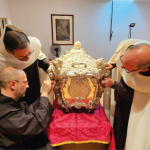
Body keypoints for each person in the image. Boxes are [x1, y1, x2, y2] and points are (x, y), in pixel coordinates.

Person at [0, 24, 53, 149]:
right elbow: (34, 121)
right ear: (9, 52)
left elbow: (41, 60)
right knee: (28, 125)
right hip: (14, 97)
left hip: (32, 91)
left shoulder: (33, 45)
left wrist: (52, 71)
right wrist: (44, 95)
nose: (28, 58)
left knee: (34, 114)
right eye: (23, 57)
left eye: (30, 53)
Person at [101, 39, 150, 150]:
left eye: (126, 68)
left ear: (144, 70)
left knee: (124, 130)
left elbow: (134, 95)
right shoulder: (127, 44)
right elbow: (119, 57)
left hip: (133, 107)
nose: (122, 68)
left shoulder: (147, 82)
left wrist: (113, 84)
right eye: (122, 61)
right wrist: (114, 64)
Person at [0, 66, 56, 150]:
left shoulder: (9, 102)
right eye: (25, 82)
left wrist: (44, 94)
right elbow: (36, 122)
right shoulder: (4, 112)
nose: (27, 86)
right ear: (12, 84)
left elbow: (29, 111)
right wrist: (44, 94)